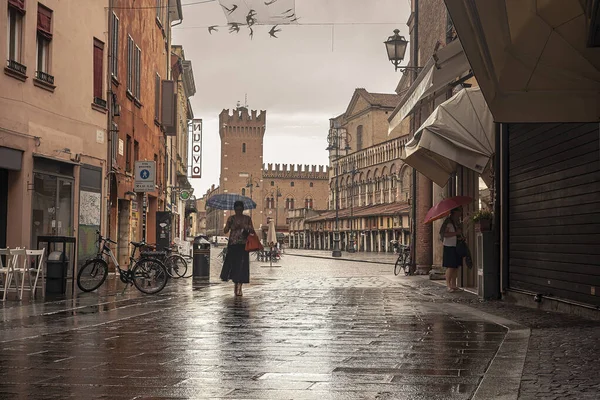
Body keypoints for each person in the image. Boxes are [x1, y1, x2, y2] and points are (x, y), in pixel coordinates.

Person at [220, 200, 255, 296]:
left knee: (242, 267)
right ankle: (236, 285)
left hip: (243, 245)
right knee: (234, 266)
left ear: (243, 209)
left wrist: (244, 226)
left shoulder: (247, 218)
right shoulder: (231, 218)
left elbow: (252, 230)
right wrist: (232, 225)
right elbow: (225, 230)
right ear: (234, 209)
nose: (238, 211)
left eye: (240, 209)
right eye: (237, 209)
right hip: (233, 244)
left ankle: (240, 286)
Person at [440, 207, 463, 292]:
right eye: (459, 212)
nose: (460, 214)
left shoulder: (456, 223)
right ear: (454, 213)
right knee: (450, 266)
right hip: (449, 246)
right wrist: (456, 233)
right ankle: (448, 285)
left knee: (455, 266)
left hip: (456, 245)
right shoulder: (448, 223)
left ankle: (454, 284)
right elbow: (445, 234)